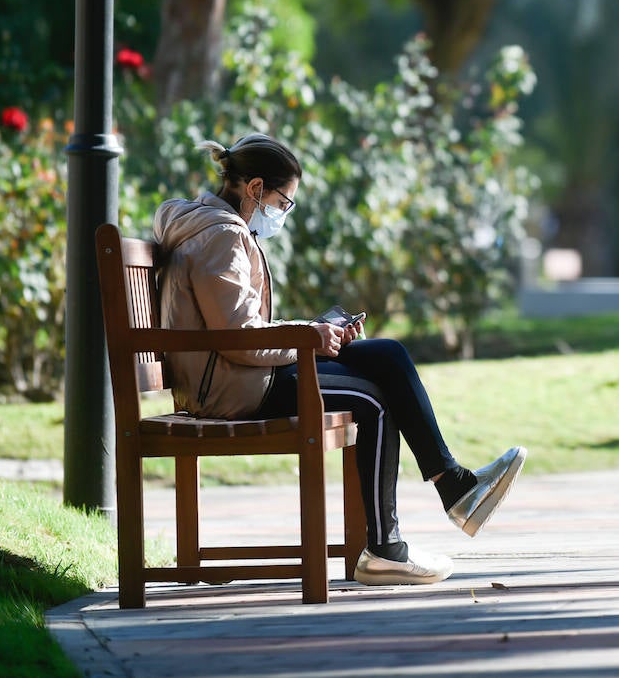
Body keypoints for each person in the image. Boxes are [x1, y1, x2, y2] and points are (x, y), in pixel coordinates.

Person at [152, 132, 526, 586]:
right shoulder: (221, 236)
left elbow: (236, 327)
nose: (281, 213)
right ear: (254, 189)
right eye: (283, 202)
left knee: (387, 354)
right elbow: (240, 339)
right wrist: (311, 337)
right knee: (375, 401)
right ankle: (390, 545)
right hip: (237, 389)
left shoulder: (203, 224)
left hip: (237, 376)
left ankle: (455, 487)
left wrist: (318, 333)